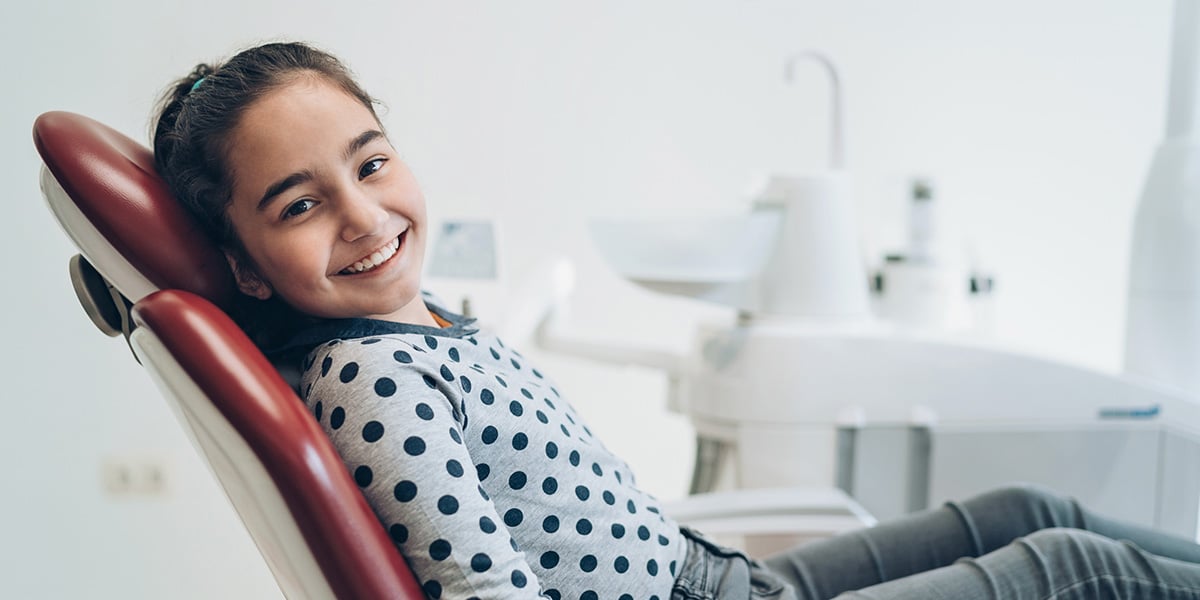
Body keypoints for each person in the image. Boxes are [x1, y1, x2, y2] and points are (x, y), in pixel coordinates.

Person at [152, 41, 1200, 600]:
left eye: (372, 162)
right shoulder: (371, 382)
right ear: (244, 264)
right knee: (1069, 572)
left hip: (710, 576)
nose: (364, 215)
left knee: (1016, 511)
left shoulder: (415, 330)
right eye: (301, 205)